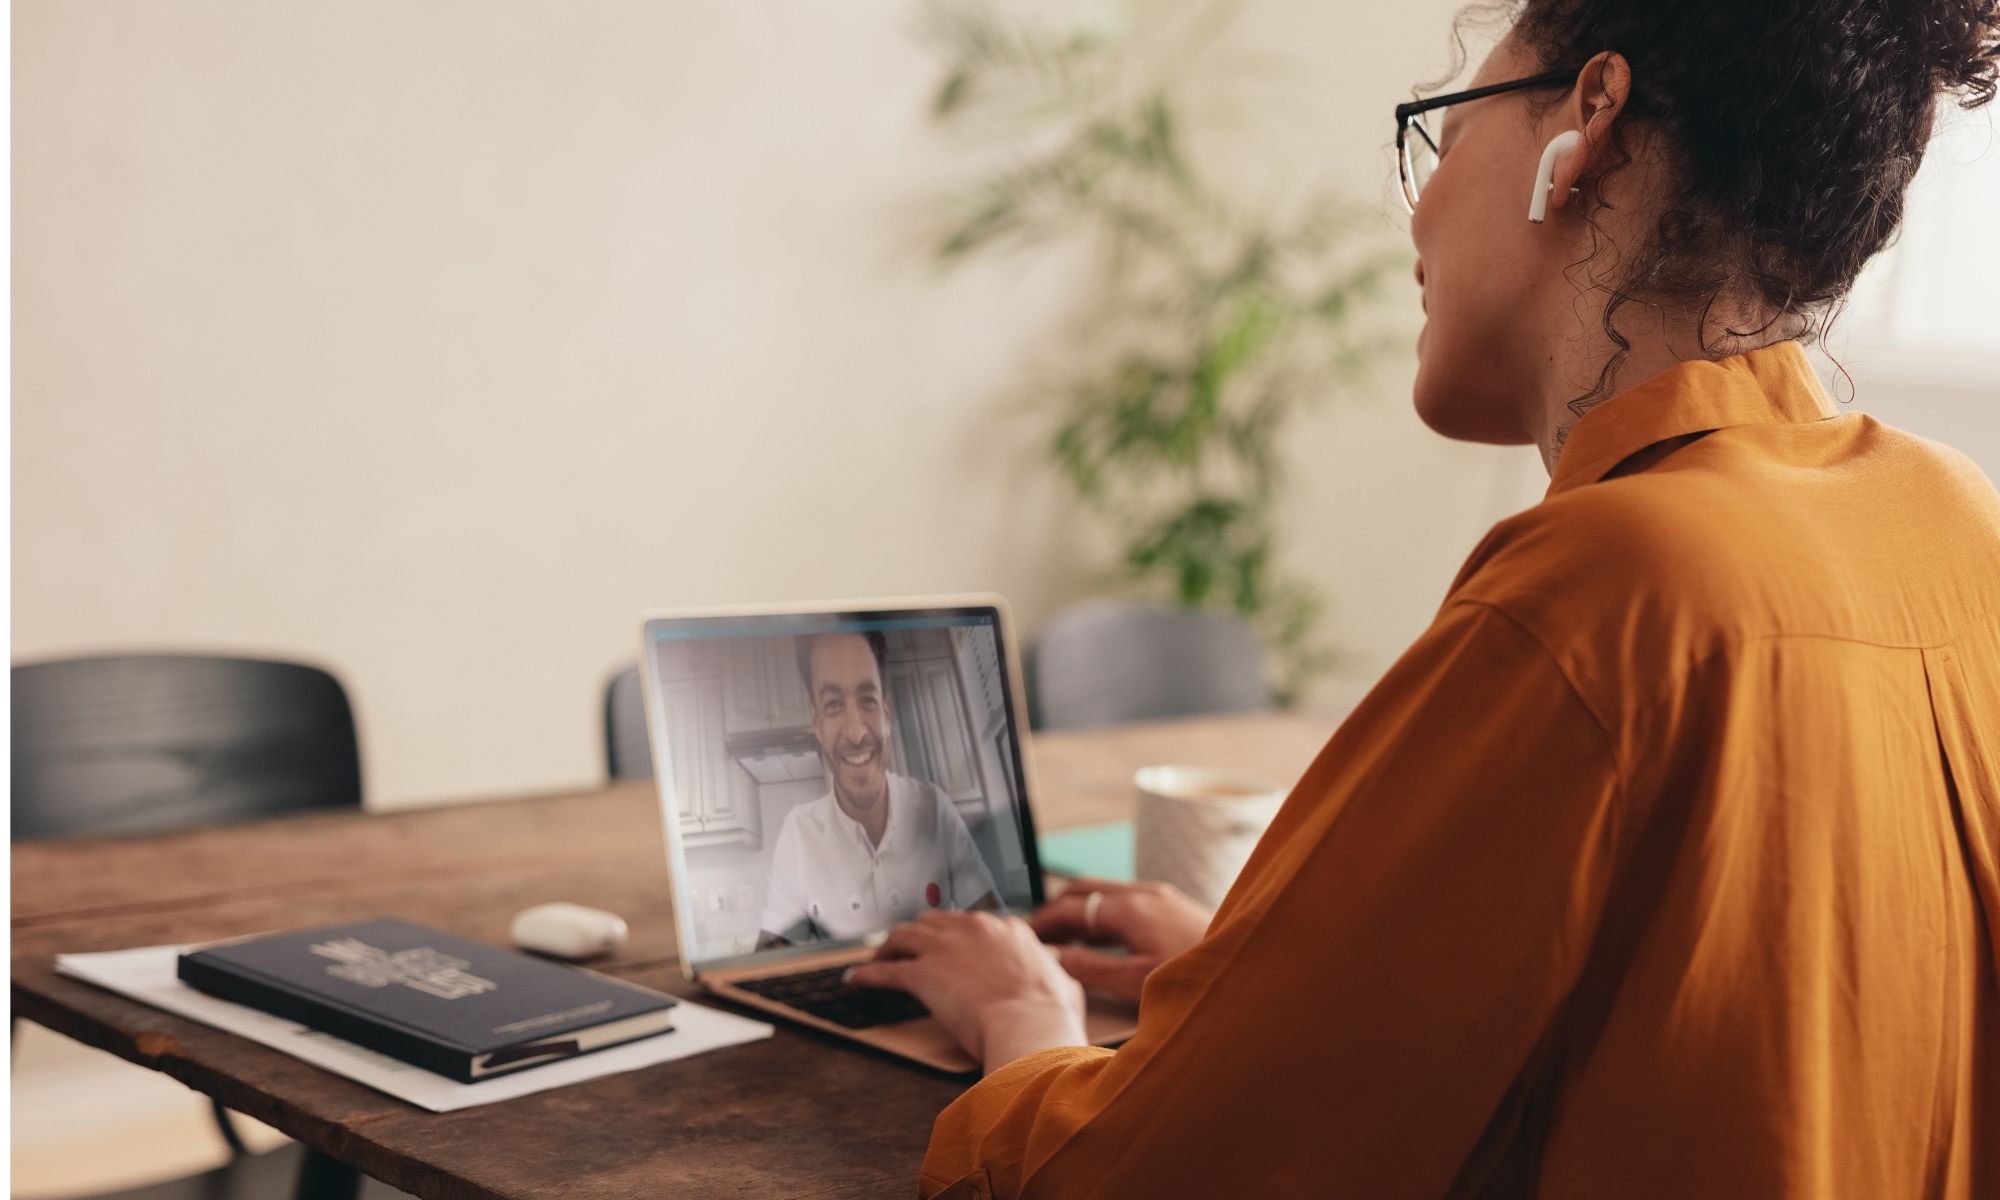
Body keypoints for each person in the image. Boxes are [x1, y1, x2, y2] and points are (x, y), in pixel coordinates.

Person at [847, 2, 2000, 1195]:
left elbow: (1144, 1175)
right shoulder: (1952, 520)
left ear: (1587, 124)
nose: (1416, 211)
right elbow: (1711, 1024)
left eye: (1440, 131)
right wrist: (1266, 991)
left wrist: (1021, 1019)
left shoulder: (1607, 583)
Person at [755, 631, 999, 948]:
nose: (856, 733)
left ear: (886, 710)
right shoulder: (797, 834)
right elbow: (766, 962)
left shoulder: (933, 808)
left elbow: (999, 930)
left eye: (867, 700)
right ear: (816, 721)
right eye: (833, 706)